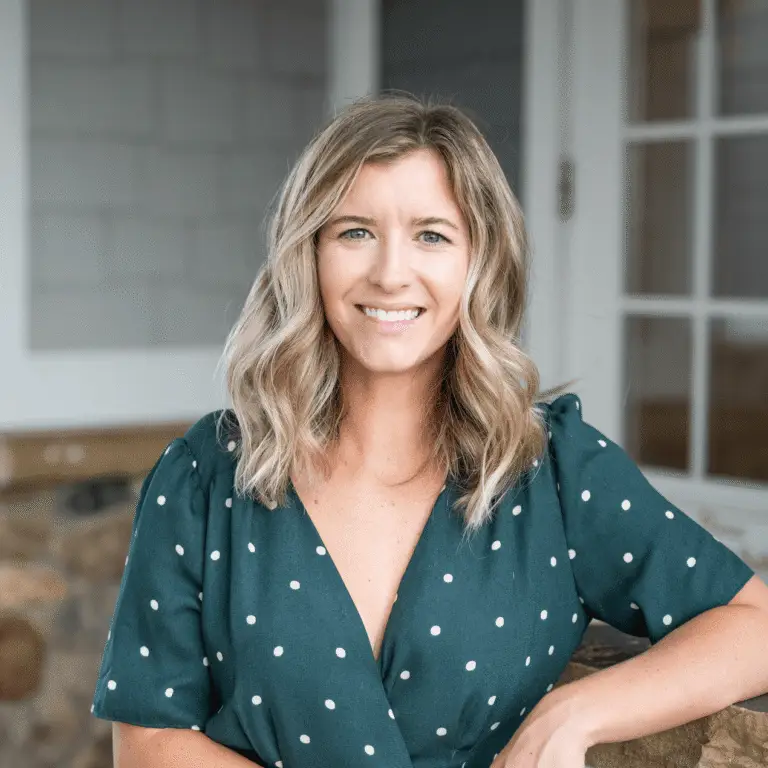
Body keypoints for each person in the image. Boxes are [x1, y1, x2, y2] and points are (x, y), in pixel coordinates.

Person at [91, 93, 762, 768]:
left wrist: (575, 711)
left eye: (432, 235)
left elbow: (757, 625)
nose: (389, 273)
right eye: (355, 231)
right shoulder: (206, 475)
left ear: (479, 262)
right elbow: (149, 739)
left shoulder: (553, 472)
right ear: (310, 255)